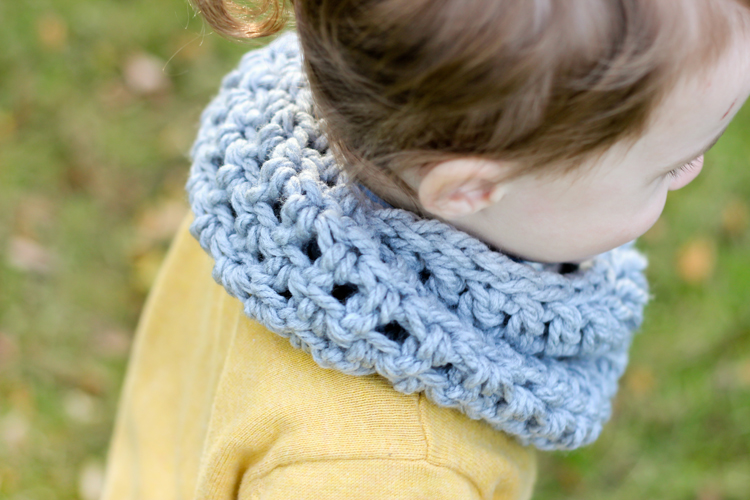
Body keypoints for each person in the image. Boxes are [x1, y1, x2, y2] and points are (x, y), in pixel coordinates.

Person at [100, 1, 750, 498]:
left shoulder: (272, 187)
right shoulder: (389, 470)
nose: (693, 172)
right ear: (469, 189)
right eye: (666, 168)